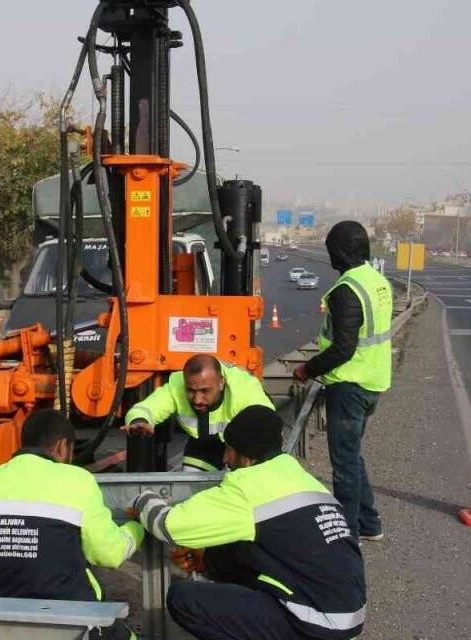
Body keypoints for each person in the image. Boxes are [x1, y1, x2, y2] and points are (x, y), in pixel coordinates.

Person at [131, 406, 366, 640]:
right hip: (344, 615)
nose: (224, 458)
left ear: (246, 458)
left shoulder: (248, 487)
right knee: (240, 546)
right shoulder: (302, 479)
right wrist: (209, 562)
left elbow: (170, 526)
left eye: (229, 450)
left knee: (184, 599)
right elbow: (262, 550)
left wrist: (143, 499)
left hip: (315, 623)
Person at [0, 409, 144, 640]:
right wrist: (137, 528)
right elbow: (109, 554)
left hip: (6, 618)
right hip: (73, 618)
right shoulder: (77, 480)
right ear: (62, 447)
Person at [293, 220, 392, 541]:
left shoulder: (345, 290)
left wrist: (307, 369)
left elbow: (343, 348)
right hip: (373, 381)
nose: (330, 257)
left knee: (344, 463)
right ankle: (369, 524)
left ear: (339, 253)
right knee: (353, 455)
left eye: (331, 251)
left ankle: (345, 537)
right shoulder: (377, 281)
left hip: (349, 385)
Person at [124, 354, 274, 472]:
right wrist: (139, 420)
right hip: (204, 445)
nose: (197, 400)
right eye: (191, 391)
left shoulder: (244, 390)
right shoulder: (177, 386)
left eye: (205, 391)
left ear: (221, 383)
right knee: (190, 486)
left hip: (241, 448)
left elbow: (266, 425)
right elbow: (147, 408)